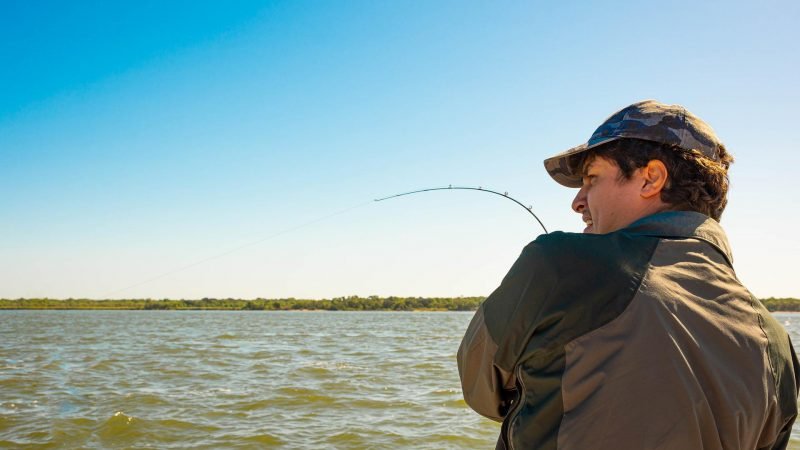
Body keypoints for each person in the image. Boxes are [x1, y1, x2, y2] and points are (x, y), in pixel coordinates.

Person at [457, 100, 799, 450]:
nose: (578, 201)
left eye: (592, 178)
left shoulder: (558, 263)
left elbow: (483, 392)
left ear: (651, 178)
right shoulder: (777, 344)